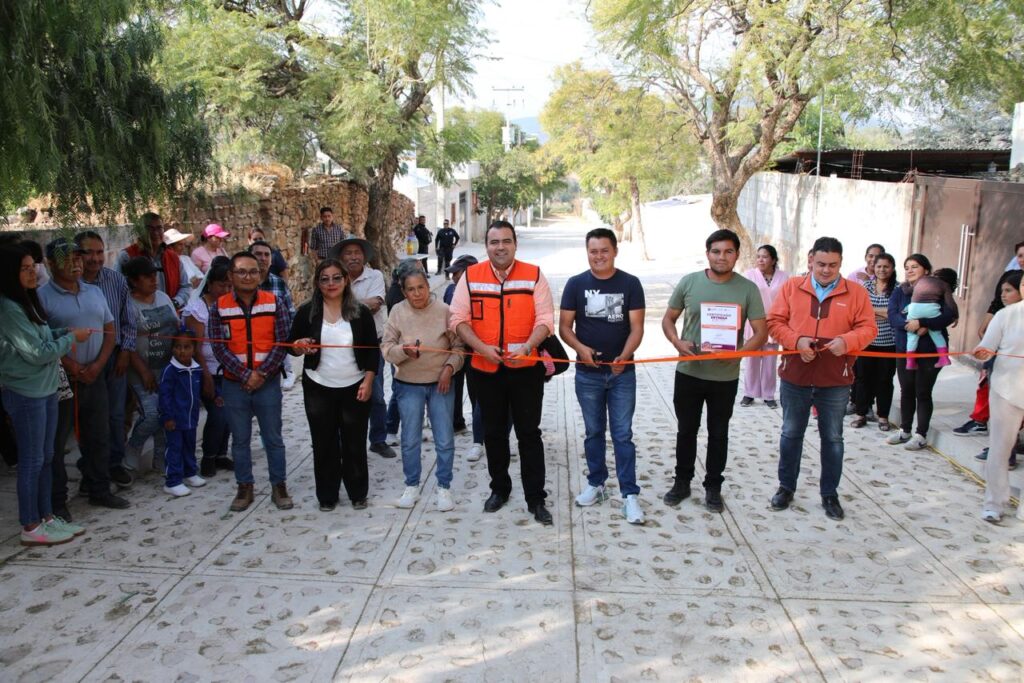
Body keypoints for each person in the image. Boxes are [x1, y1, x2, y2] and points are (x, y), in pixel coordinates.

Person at [450, 220, 555, 525]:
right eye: (494, 242)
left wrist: (528, 346)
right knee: (494, 433)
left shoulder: (534, 275)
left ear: (515, 244)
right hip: (486, 369)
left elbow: (546, 319)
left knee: (529, 434)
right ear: (486, 246)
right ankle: (499, 489)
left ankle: (536, 498)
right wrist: (481, 348)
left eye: (506, 241)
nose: (500, 247)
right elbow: (457, 319)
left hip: (526, 369)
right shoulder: (471, 276)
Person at [766, 237, 877, 521]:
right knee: (791, 434)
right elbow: (774, 322)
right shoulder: (792, 287)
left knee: (833, 438)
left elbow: (868, 328)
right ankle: (786, 487)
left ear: (841, 263)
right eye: (821, 264)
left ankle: (829, 494)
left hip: (835, 380)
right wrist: (796, 341)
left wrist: (848, 341)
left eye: (833, 265)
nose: (826, 270)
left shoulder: (856, 292)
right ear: (810, 260)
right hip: (795, 376)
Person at [661, 229, 767, 513]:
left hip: (725, 377)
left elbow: (761, 332)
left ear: (737, 254)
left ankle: (713, 487)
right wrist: (677, 342)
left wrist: (740, 353)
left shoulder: (748, 289)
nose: (722, 257)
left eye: (728, 251)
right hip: (689, 372)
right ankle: (682, 482)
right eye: (716, 251)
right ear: (707, 253)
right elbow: (668, 320)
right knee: (686, 430)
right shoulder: (690, 282)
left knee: (718, 433)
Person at [0, 243, 89, 546]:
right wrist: (70, 340)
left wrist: (64, 333)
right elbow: (37, 353)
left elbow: (42, 334)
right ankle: (30, 524)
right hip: (26, 392)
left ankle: (47, 517)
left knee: (48, 456)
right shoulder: (8, 308)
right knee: (32, 460)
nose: (32, 273)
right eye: (24, 269)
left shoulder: (26, 300)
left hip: (47, 388)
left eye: (32, 267)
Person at [559, 228, 646, 523]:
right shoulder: (575, 284)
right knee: (594, 432)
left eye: (604, 250)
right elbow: (565, 327)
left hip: (623, 374)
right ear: (587, 253)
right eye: (593, 251)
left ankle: (629, 494)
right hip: (588, 375)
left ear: (615, 251)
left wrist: (625, 355)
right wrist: (581, 349)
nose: (599, 256)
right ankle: (596, 483)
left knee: (623, 435)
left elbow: (637, 328)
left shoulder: (630, 283)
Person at [39, 237, 128, 512]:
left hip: (95, 374)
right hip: (62, 379)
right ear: (50, 263)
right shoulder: (42, 297)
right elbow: (41, 341)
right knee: (57, 442)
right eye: (67, 259)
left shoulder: (94, 291)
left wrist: (98, 365)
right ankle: (57, 502)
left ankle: (99, 488)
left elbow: (110, 330)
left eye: (77, 257)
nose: (76, 263)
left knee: (98, 435)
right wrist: (71, 365)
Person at [288, 259, 378, 510]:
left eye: (336, 277)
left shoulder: (360, 312)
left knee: (354, 442)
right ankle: (327, 496)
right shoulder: (307, 312)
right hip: (318, 386)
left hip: (355, 386)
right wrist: (299, 346)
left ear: (346, 280)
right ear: (317, 283)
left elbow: (372, 350)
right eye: (325, 279)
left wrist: (368, 381)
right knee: (324, 443)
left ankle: (358, 493)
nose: (331, 283)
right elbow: (291, 345)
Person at [209, 251, 293, 512]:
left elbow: (282, 342)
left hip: (267, 383)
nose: (248, 277)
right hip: (234, 384)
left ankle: (279, 485)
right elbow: (219, 348)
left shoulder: (274, 302)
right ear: (231, 276)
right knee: (240, 439)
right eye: (241, 272)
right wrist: (246, 375)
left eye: (253, 271)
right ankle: (244, 486)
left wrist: (262, 374)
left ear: (261, 274)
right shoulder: (219, 307)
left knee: (273, 437)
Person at [382, 262, 464, 511]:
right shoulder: (397, 312)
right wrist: (404, 351)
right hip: (408, 384)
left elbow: (459, 348)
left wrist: (449, 368)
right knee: (409, 439)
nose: (417, 293)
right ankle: (412, 486)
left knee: (444, 438)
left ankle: (444, 487)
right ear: (403, 291)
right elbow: (387, 349)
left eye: (421, 287)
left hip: (441, 384)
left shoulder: (445, 311)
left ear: (428, 286)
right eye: (411, 289)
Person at [75, 230, 138, 488]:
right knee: (88, 419)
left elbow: (129, 320)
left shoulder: (116, 280)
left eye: (99, 252)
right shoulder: (71, 284)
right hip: (84, 362)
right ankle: (91, 468)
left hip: (114, 358)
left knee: (115, 414)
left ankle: (114, 463)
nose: (95, 258)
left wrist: (125, 352)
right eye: (88, 252)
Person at [331, 237, 396, 459]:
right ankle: (344, 440)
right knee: (343, 394)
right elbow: (329, 305)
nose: (353, 257)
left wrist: (341, 306)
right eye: (348, 253)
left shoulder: (375, 276)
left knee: (376, 394)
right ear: (341, 257)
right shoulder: (336, 277)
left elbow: (375, 304)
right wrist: (359, 305)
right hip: (341, 345)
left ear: (364, 255)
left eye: (357, 252)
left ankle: (378, 439)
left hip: (372, 344)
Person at [886, 254, 957, 451]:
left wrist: (924, 323)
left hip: (929, 351)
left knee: (923, 392)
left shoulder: (937, 288)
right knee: (906, 390)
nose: (909, 270)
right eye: (907, 267)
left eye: (914, 266)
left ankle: (921, 434)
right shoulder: (900, 291)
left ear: (926, 270)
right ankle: (905, 430)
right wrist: (910, 325)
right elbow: (893, 316)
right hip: (905, 349)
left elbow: (948, 315)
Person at [974, 272, 1024, 523]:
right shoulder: (1006, 315)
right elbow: (987, 347)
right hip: (1006, 389)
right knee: (1000, 448)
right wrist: (982, 352)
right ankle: (994, 502)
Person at [123, 257, 181, 473]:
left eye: (154, 275)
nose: (153, 280)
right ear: (134, 280)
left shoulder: (163, 297)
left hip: (167, 369)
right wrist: (143, 371)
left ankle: (161, 459)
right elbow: (127, 342)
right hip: (142, 370)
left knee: (167, 413)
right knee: (151, 414)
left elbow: (177, 326)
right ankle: (134, 446)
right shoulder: (128, 305)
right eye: (147, 276)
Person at [182, 259, 233, 477]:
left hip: (229, 368)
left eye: (229, 286)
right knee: (218, 414)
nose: (226, 290)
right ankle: (209, 456)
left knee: (229, 415)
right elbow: (196, 348)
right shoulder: (197, 310)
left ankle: (221, 454)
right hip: (209, 371)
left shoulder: (230, 305)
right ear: (210, 284)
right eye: (222, 285)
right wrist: (206, 376)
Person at [851, 253, 898, 431]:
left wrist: (873, 311)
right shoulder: (866, 287)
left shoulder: (898, 289)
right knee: (862, 379)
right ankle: (860, 414)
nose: (882, 270)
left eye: (886, 266)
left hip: (889, 343)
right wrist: (883, 312)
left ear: (892, 268)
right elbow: (858, 312)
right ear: (873, 267)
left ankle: (883, 417)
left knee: (884, 380)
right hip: (865, 342)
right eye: (879, 266)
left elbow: (895, 315)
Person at [158, 330, 207, 497]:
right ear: (172, 349)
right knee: (175, 448)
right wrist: (168, 417)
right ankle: (172, 481)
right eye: (178, 347)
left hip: (190, 418)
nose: (182, 351)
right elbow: (164, 396)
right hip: (174, 420)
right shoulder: (170, 371)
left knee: (189, 446)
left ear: (194, 349)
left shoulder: (196, 369)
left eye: (187, 347)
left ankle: (190, 472)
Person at [740, 244, 788, 408]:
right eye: (758, 256)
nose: (760, 260)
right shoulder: (749, 275)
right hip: (754, 321)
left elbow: (787, 299)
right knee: (752, 359)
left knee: (770, 361)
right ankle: (749, 393)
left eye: (765, 257)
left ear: (773, 260)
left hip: (774, 322)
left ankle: (768, 394)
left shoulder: (784, 277)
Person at [444, 254, 481, 458]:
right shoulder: (450, 290)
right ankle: (456, 423)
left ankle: (479, 435)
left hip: (477, 350)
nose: (453, 278)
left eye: (456, 273)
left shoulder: (481, 291)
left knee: (477, 393)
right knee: (454, 388)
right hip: (455, 349)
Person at [117, 212, 191, 309]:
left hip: (169, 313)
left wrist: (174, 303)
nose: (155, 233)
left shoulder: (173, 257)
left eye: (159, 228)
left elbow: (185, 286)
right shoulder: (127, 256)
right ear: (140, 231)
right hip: (138, 314)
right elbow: (117, 288)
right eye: (150, 228)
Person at [250, 239, 297, 391]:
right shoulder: (239, 285)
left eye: (267, 255)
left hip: (273, 353)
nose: (263, 258)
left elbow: (290, 314)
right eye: (258, 254)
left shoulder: (279, 284)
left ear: (271, 260)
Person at [903, 267, 958, 369]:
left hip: (914, 309)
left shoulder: (921, 279)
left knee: (911, 336)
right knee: (936, 333)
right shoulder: (945, 285)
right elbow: (951, 304)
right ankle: (944, 358)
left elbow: (907, 291)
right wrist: (956, 315)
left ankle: (910, 362)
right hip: (931, 310)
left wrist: (905, 284)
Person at [164, 227, 203, 293]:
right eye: (180, 245)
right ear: (170, 247)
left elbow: (200, 277)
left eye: (183, 244)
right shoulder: (167, 262)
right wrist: (191, 283)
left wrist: (196, 281)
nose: (183, 247)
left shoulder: (186, 259)